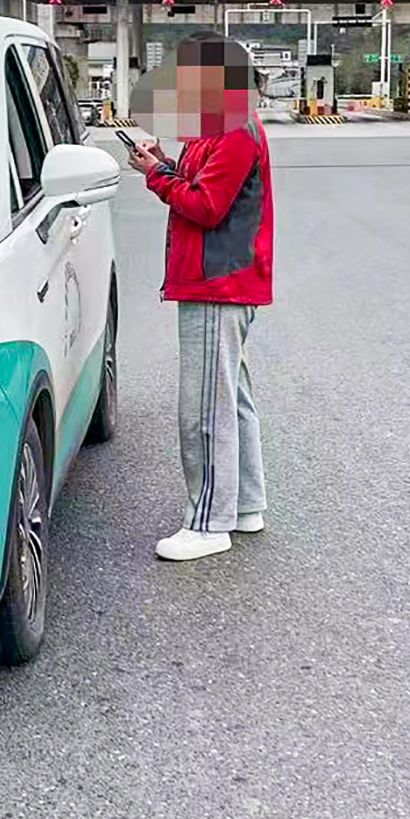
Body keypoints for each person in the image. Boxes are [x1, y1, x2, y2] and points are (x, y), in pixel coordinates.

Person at [125, 37, 275, 563]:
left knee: (206, 408)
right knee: (231, 398)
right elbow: (198, 184)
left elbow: (207, 206)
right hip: (221, 279)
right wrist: (164, 164)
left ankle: (210, 524)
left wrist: (155, 176)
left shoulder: (233, 131)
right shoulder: (218, 127)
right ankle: (245, 505)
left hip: (217, 282)